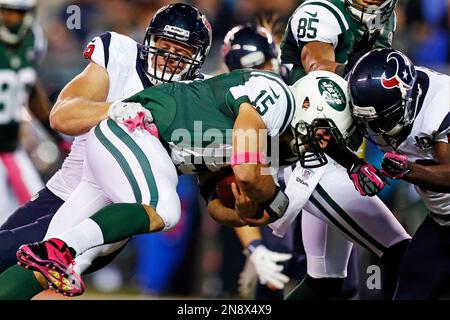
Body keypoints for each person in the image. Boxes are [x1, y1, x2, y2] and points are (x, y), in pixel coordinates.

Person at [0, 2, 212, 297]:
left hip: (110, 221)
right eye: (165, 45)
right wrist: (113, 109)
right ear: (149, 40)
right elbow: (61, 115)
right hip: (62, 194)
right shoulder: (121, 56)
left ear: (197, 60)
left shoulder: (196, 99)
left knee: (28, 271)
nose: (169, 58)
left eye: (182, 53)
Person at [347, 48, 450, 299]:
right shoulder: (380, 103)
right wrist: (354, 165)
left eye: (385, 118)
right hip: (442, 221)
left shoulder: (441, 104)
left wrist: (408, 170)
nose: (377, 129)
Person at [0, 0, 64, 225]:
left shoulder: (33, 38)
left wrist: (57, 135)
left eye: (19, 13)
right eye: (7, 13)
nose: (13, 21)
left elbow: (30, 88)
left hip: (11, 149)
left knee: (38, 218)